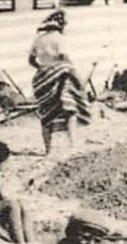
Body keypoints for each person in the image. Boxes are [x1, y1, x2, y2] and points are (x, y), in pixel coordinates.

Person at [27, 10, 89, 156]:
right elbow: (64, 57)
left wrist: (43, 68)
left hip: (41, 79)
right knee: (70, 110)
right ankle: (72, 146)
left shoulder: (38, 40)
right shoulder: (59, 39)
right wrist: (74, 72)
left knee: (46, 113)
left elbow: (31, 60)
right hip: (60, 78)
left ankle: (47, 150)